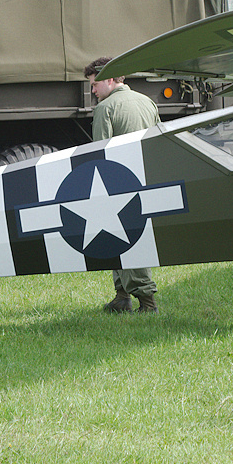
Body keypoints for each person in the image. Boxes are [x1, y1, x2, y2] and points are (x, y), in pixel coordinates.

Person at [84, 56, 162, 314]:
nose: (92, 91)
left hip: (117, 185)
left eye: (94, 85)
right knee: (124, 239)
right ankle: (122, 296)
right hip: (145, 180)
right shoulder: (147, 101)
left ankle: (147, 302)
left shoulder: (105, 109)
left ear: (108, 79)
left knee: (124, 239)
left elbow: (99, 154)